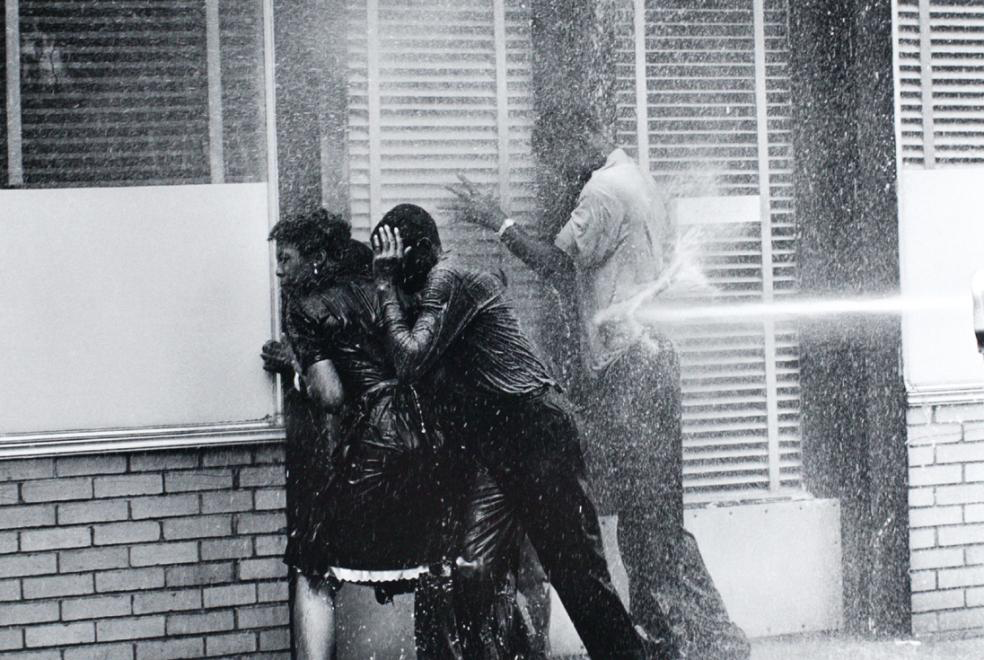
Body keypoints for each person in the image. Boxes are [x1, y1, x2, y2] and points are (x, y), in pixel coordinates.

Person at [446, 124, 751, 659]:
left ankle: (700, 640)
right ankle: (683, 638)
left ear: (579, 135)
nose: (554, 171)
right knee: (650, 515)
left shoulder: (602, 190)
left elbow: (559, 264)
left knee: (641, 521)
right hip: (652, 360)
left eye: (553, 155)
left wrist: (498, 221)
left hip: (630, 366)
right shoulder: (637, 179)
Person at [371, 203, 673, 660]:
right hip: (500, 442)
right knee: (472, 569)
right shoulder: (432, 290)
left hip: (536, 432)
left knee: (575, 574)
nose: (391, 271)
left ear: (424, 252)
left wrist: (383, 286)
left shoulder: (447, 279)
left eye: (396, 260)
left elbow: (410, 360)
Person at [265, 209, 536, 660]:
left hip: (377, 439)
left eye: (286, 258)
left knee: (312, 562)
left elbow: (330, 395)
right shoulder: (387, 285)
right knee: (439, 560)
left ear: (313, 259)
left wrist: (296, 372)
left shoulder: (303, 308)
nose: (278, 270)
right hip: (434, 437)